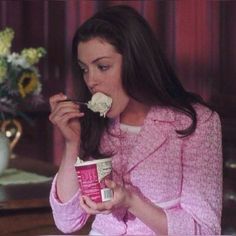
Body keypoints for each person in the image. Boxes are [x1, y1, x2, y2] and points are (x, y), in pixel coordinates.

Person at [49, 5, 222, 235]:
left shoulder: (198, 122)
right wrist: (72, 144)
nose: (91, 81)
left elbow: (206, 231)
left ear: (136, 62)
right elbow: (67, 221)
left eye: (103, 66)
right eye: (84, 69)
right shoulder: (93, 122)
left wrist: (131, 201)